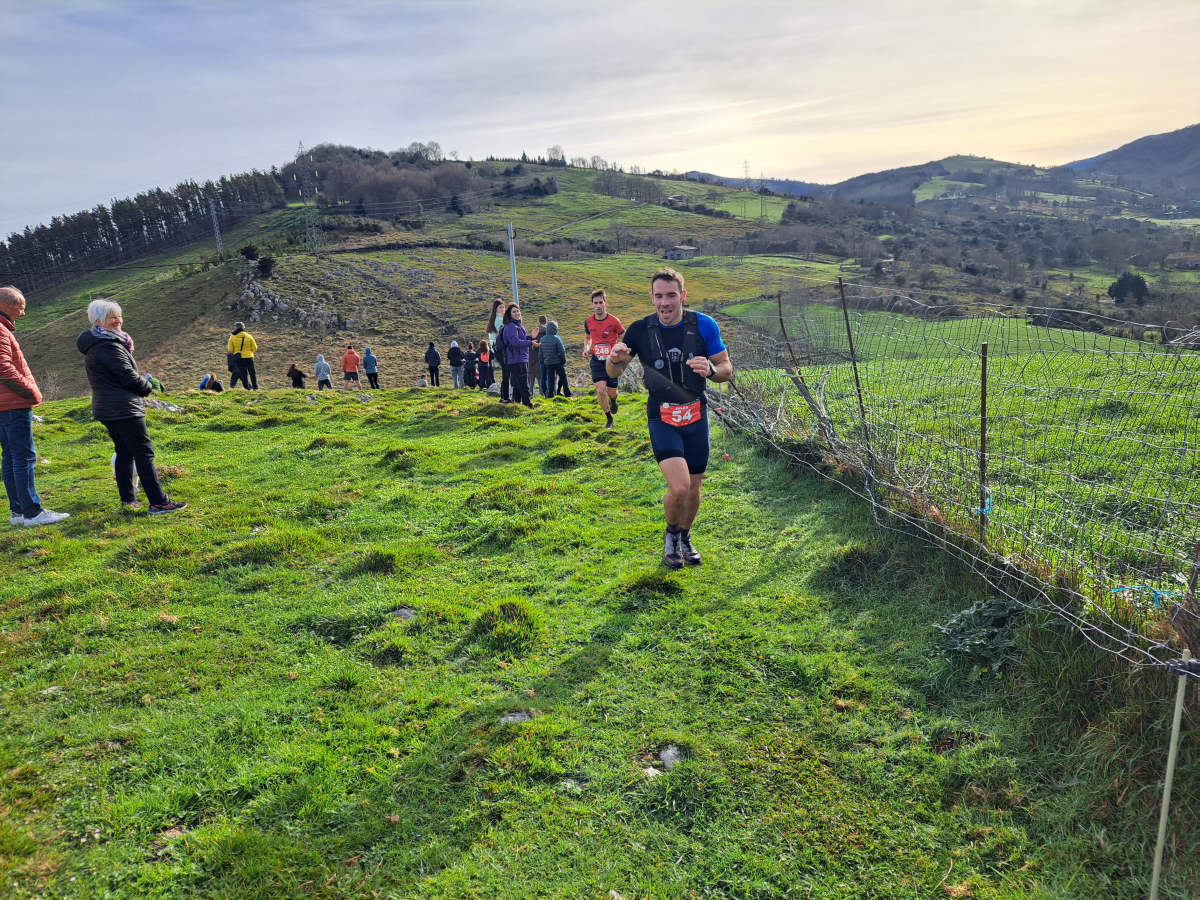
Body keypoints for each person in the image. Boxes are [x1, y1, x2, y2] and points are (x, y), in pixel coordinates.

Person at [605, 268, 731, 569]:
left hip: (696, 414)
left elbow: (726, 368)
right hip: (662, 415)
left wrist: (712, 372)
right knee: (680, 487)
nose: (665, 302)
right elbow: (614, 374)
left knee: (695, 488)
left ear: (683, 296)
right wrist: (614, 360)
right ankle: (671, 536)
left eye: (671, 295)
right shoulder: (639, 330)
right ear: (652, 298)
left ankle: (685, 538)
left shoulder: (704, 325)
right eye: (659, 296)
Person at [76, 299, 187, 514]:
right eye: (112, 317)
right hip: (123, 407)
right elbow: (127, 377)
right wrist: (148, 386)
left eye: (119, 316)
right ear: (99, 322)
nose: (118, 320)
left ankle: (128, 499)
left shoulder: (99, 343)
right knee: (143, 453)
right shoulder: (108, 346)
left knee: (124, 452)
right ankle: (158, 502)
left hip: (108, 407)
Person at [0, 286, 69, 527]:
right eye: (21, 307)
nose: (23, 313)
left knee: (9, 457)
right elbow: (4, 368)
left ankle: (18, 512)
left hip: (3, 406)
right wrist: (31, 390)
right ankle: (32, 512)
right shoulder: (0, 330)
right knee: (23, 457)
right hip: (13, 404)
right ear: (7, 305)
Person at [583, 289, 624, 429]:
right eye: (596, 303)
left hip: (612, 362)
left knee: (612, 392)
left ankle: (613, 401)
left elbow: (623, 336)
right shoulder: (588, 321)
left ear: (606, 303)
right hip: (596, 360)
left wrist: (622, 350)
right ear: (592, 305)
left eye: (601, 302)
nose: (598, 305)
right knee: (600, 390)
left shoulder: (614, 321)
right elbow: (588, 338)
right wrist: (586, 349)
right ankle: (609, 418)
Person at [500, 303, 534, 408]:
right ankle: (528, 405)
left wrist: (531, 338)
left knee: (518, 383)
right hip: (516, 359)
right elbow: (515, 342)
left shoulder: (519, 326)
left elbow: (521, 340)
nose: (517, 313)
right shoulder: (511, 326)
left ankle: (516, 404)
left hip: (520, 358)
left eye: (518, 311)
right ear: (509, 315)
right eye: (514, 311)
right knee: (523, 383)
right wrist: (530, 342)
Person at [540, 320, 571, 398]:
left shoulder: (542, 339)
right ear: (554, 329)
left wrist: (542, 362)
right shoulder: (556, 339)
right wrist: (563, 360)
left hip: (548, 363)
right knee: (563, 378)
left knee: (551, 380)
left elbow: (540, 353)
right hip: (557, 362)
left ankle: (550, 395)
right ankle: (567, 393)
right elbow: (562, 351)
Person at [226, 322, 258, 390]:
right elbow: (255, 348)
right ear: (243, 328)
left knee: (244, 375)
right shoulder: (249, 336)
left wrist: (237, 352)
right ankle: (255, 388)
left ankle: (247, 388)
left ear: (236, 328)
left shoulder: (232, 337)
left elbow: (230, 350)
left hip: (239, 358)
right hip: (249, 357)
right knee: (252, 373)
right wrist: (250, 352)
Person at [528, 315, 547, 398]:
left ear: (539, 321)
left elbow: (530, 345)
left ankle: (530, 393)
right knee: (541, 378)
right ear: (546, 321)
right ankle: (543, 394)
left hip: (532, 360)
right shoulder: (548, 332)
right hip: (543, 358)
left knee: (531, 379)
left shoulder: (535, 332)